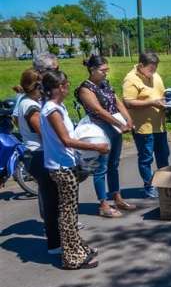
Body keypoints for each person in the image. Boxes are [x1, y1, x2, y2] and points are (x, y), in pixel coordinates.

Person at [40, 71, 109, 269]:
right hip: (61, 167)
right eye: (66, 84)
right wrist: (97, 147)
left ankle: (78, 248)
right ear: (60, 87)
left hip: (65, 163)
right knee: (67, 213)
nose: (68, 87)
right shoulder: (52, 110)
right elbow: (66, 140)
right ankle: (71, 258)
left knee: (70, 211)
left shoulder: (57, 107)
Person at [76, 54, 136, 218]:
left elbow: (117, 102)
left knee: (114, 165)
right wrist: (120, 124)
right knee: (101, 167)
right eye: (103, 70)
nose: (105, 73)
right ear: (92, 70)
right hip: (99, 130)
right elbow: (98, 110)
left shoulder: (105, 84)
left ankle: (117, 197)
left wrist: (128, 119)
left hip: (115, 128)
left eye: (107, 70)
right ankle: (103, 204)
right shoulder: (85, 89)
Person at [11, 69, 60, 254]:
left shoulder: (24, 101)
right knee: (50, 200)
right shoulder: (31, 106)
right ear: (37, 86)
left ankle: (55, 239)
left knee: (50, 197)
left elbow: (17, 120)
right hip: (38, 154)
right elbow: (44, 132)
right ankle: (54, 243)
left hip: (34, 152)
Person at [123, 52, 169, 198]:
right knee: (146, 158)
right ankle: (149, 186)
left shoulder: (155, 76)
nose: (153, 72)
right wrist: (151, 102)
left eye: (155, 69)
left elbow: (161, 95)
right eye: (151, 69)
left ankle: (166, 184)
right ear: (141, 66)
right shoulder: (131, 79)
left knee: (163, 156)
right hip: (143, 127)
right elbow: (128, 102)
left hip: (159, 125)